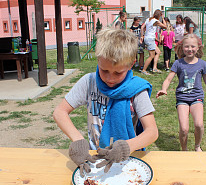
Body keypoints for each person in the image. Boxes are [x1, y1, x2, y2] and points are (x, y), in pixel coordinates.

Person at [53, 28, 158, 176]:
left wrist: (126, 147)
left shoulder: (137, 90)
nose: (110, 78)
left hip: (129, 160)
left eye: (117, 73)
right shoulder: (89, 82)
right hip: (94, 158)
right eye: (104, 70)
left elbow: (152, 132)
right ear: (98, 60)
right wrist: (77, 140)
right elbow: (59, 112)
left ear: (131, 64)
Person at [156, 34, 206, 152]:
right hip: (182, 99)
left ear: (198, 48)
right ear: (182, 48)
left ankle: (197, 146)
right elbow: (168, 79)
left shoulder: (202, 64)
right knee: (184, 128)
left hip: (197, 98)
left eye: (192, 46)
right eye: (186, 47)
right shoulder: (178, 63)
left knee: (199, 125)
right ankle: (184, 149)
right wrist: (164, 89)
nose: (189, 49)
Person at [140, 9, 167, 75]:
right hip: (150, 39)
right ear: (159, 15)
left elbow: (142, 27)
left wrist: (142, 36)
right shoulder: (156, 21)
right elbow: (165, 26)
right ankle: (144, 70)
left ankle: (154, 68)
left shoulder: (148, 19)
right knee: (151, 56)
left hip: (147, 38)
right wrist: (163, 19)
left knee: (158, 52)